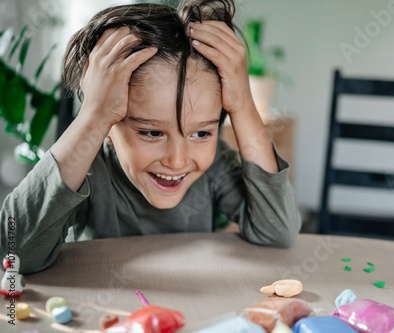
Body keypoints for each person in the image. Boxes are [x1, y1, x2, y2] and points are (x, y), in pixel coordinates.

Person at [0, 0, 301, 274]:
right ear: (107, 129)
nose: (178, 160)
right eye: (152, 132)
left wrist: (244, 106)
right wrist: (93, 116)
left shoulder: (215, 166)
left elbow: (277, 232)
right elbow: (16, 252)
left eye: (201, 132)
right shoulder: (89, 172)